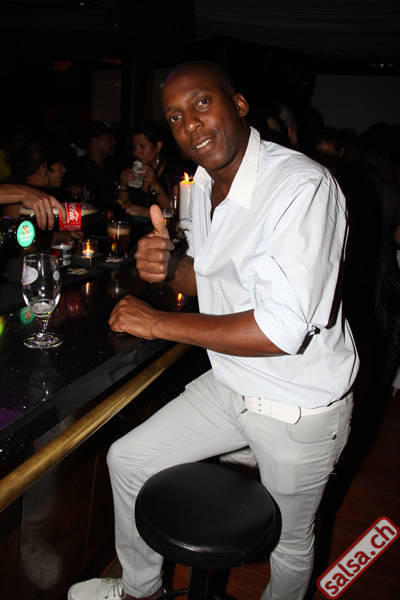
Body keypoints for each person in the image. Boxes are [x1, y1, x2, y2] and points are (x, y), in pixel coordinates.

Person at [68, 61, 359, 600]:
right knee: (128, 459)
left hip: (298, 405)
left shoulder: (301, 188)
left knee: (289, 543)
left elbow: (279, 330)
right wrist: (168, 267)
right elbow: (208, 276)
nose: (190, 124)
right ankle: (140, 590)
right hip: (232, 384)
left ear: (239, 105)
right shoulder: (201, 186)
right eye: (176, 117)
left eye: (202, 103)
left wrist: (157, 322)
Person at [116, 119, 193, 218]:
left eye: (142, 146)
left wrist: (155, 184)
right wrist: (123, 185)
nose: (137, 152)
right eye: (134, 147)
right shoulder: (133, 168)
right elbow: (122, 207)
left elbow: (173, 212)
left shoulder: (174, 169)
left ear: (158, 146)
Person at [66, 120, 119, 211]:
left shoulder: (114, 167)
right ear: (94, 140)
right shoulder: (77, 168)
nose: (114, 143)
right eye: (109, 139)